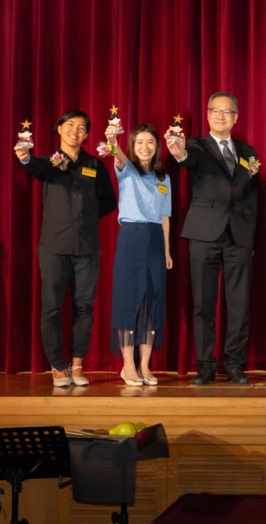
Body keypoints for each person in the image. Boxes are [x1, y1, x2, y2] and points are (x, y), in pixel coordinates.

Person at [15, 110, 118, 387]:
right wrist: (24, 157)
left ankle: (78, 363)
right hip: (54, 246)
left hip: (87, 247)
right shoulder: (49, 162)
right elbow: (32, 166)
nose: (75, 130)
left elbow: (109, 201)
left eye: (82, 127)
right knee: (52, 307)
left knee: (84, 306)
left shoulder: (95, 165)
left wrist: (85, 216)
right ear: (59, 128)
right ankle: (57, 365)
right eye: (70, 125)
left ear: (87, 135)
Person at [165, 92, 260, 385]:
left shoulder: (248, 152)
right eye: (215, 110)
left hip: (239, 235)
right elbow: (186, 159)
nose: (221, 115)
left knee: (239, 303)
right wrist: (178, 152)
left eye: (227, 111)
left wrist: (250, 238)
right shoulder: (196, 146)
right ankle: (205, 365)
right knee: (203, 303)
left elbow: (252, 196)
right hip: (204, 233)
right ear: (207, 115)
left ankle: (234, 363)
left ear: (236, 117)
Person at [105, 123, 172, 387]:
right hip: (131, 237)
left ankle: (144, 365)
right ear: (133, 146)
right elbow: (117, 155)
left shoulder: (163, 178)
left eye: (150, 142)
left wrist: (167, 250)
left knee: (152, 301)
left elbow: (165, 217)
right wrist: (112, 140)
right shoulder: (127, 170)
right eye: (139, 142)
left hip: (155, 239)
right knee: (128, 300)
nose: (145, 147)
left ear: (157, 147)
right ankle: (128, 366)